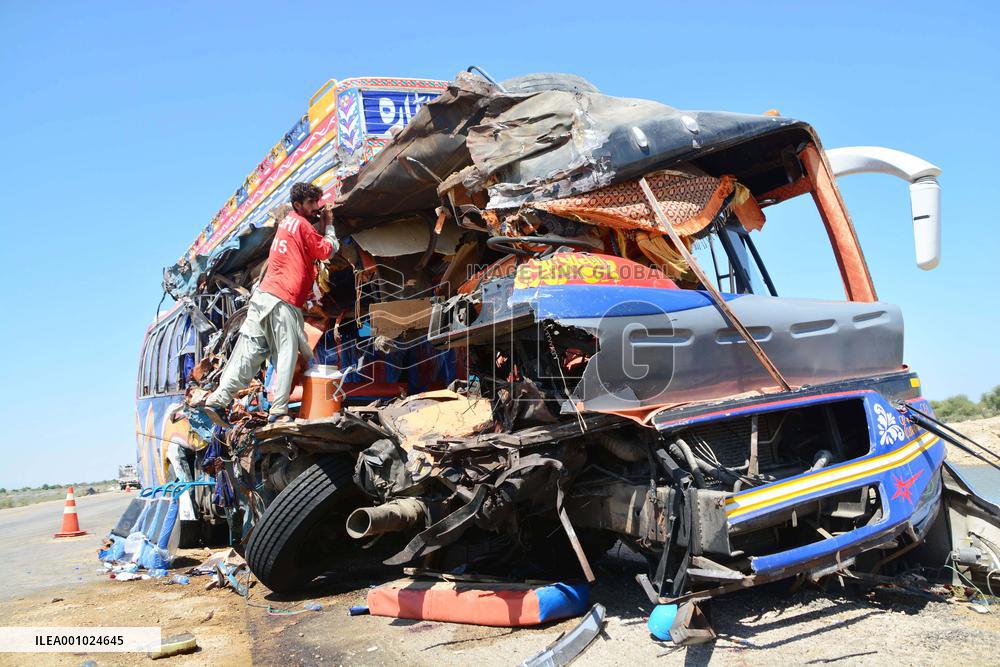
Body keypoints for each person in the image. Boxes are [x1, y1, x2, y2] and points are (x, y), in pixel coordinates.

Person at [202, 182, 339, 426]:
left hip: (263, 297)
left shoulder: (287, 224)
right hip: (282, 300)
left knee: (248, 354)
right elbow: (326, 250)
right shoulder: (302, 224)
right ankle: (279, 411)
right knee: (286, 354)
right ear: (298, 205)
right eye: (311, 203)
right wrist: (329, 226)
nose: (316, 207)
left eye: (317, 203)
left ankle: (218, 400)